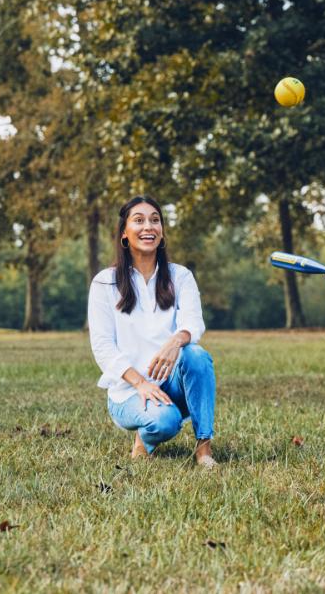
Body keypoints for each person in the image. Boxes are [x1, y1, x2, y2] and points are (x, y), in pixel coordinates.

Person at [88, 195, 217, 468]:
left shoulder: (180, 276)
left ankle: (204, 449)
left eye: (155, 220)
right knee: (165, 423)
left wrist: (176, 341)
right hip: (128, 392)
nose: (149, 227)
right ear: (125, 233)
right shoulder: (104, 283)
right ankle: (144, 437)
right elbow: (103, 347)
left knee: (196, 355)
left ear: (162, 232)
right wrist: (140, 383)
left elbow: (194, 323)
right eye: (139, 220)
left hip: (171, 384)